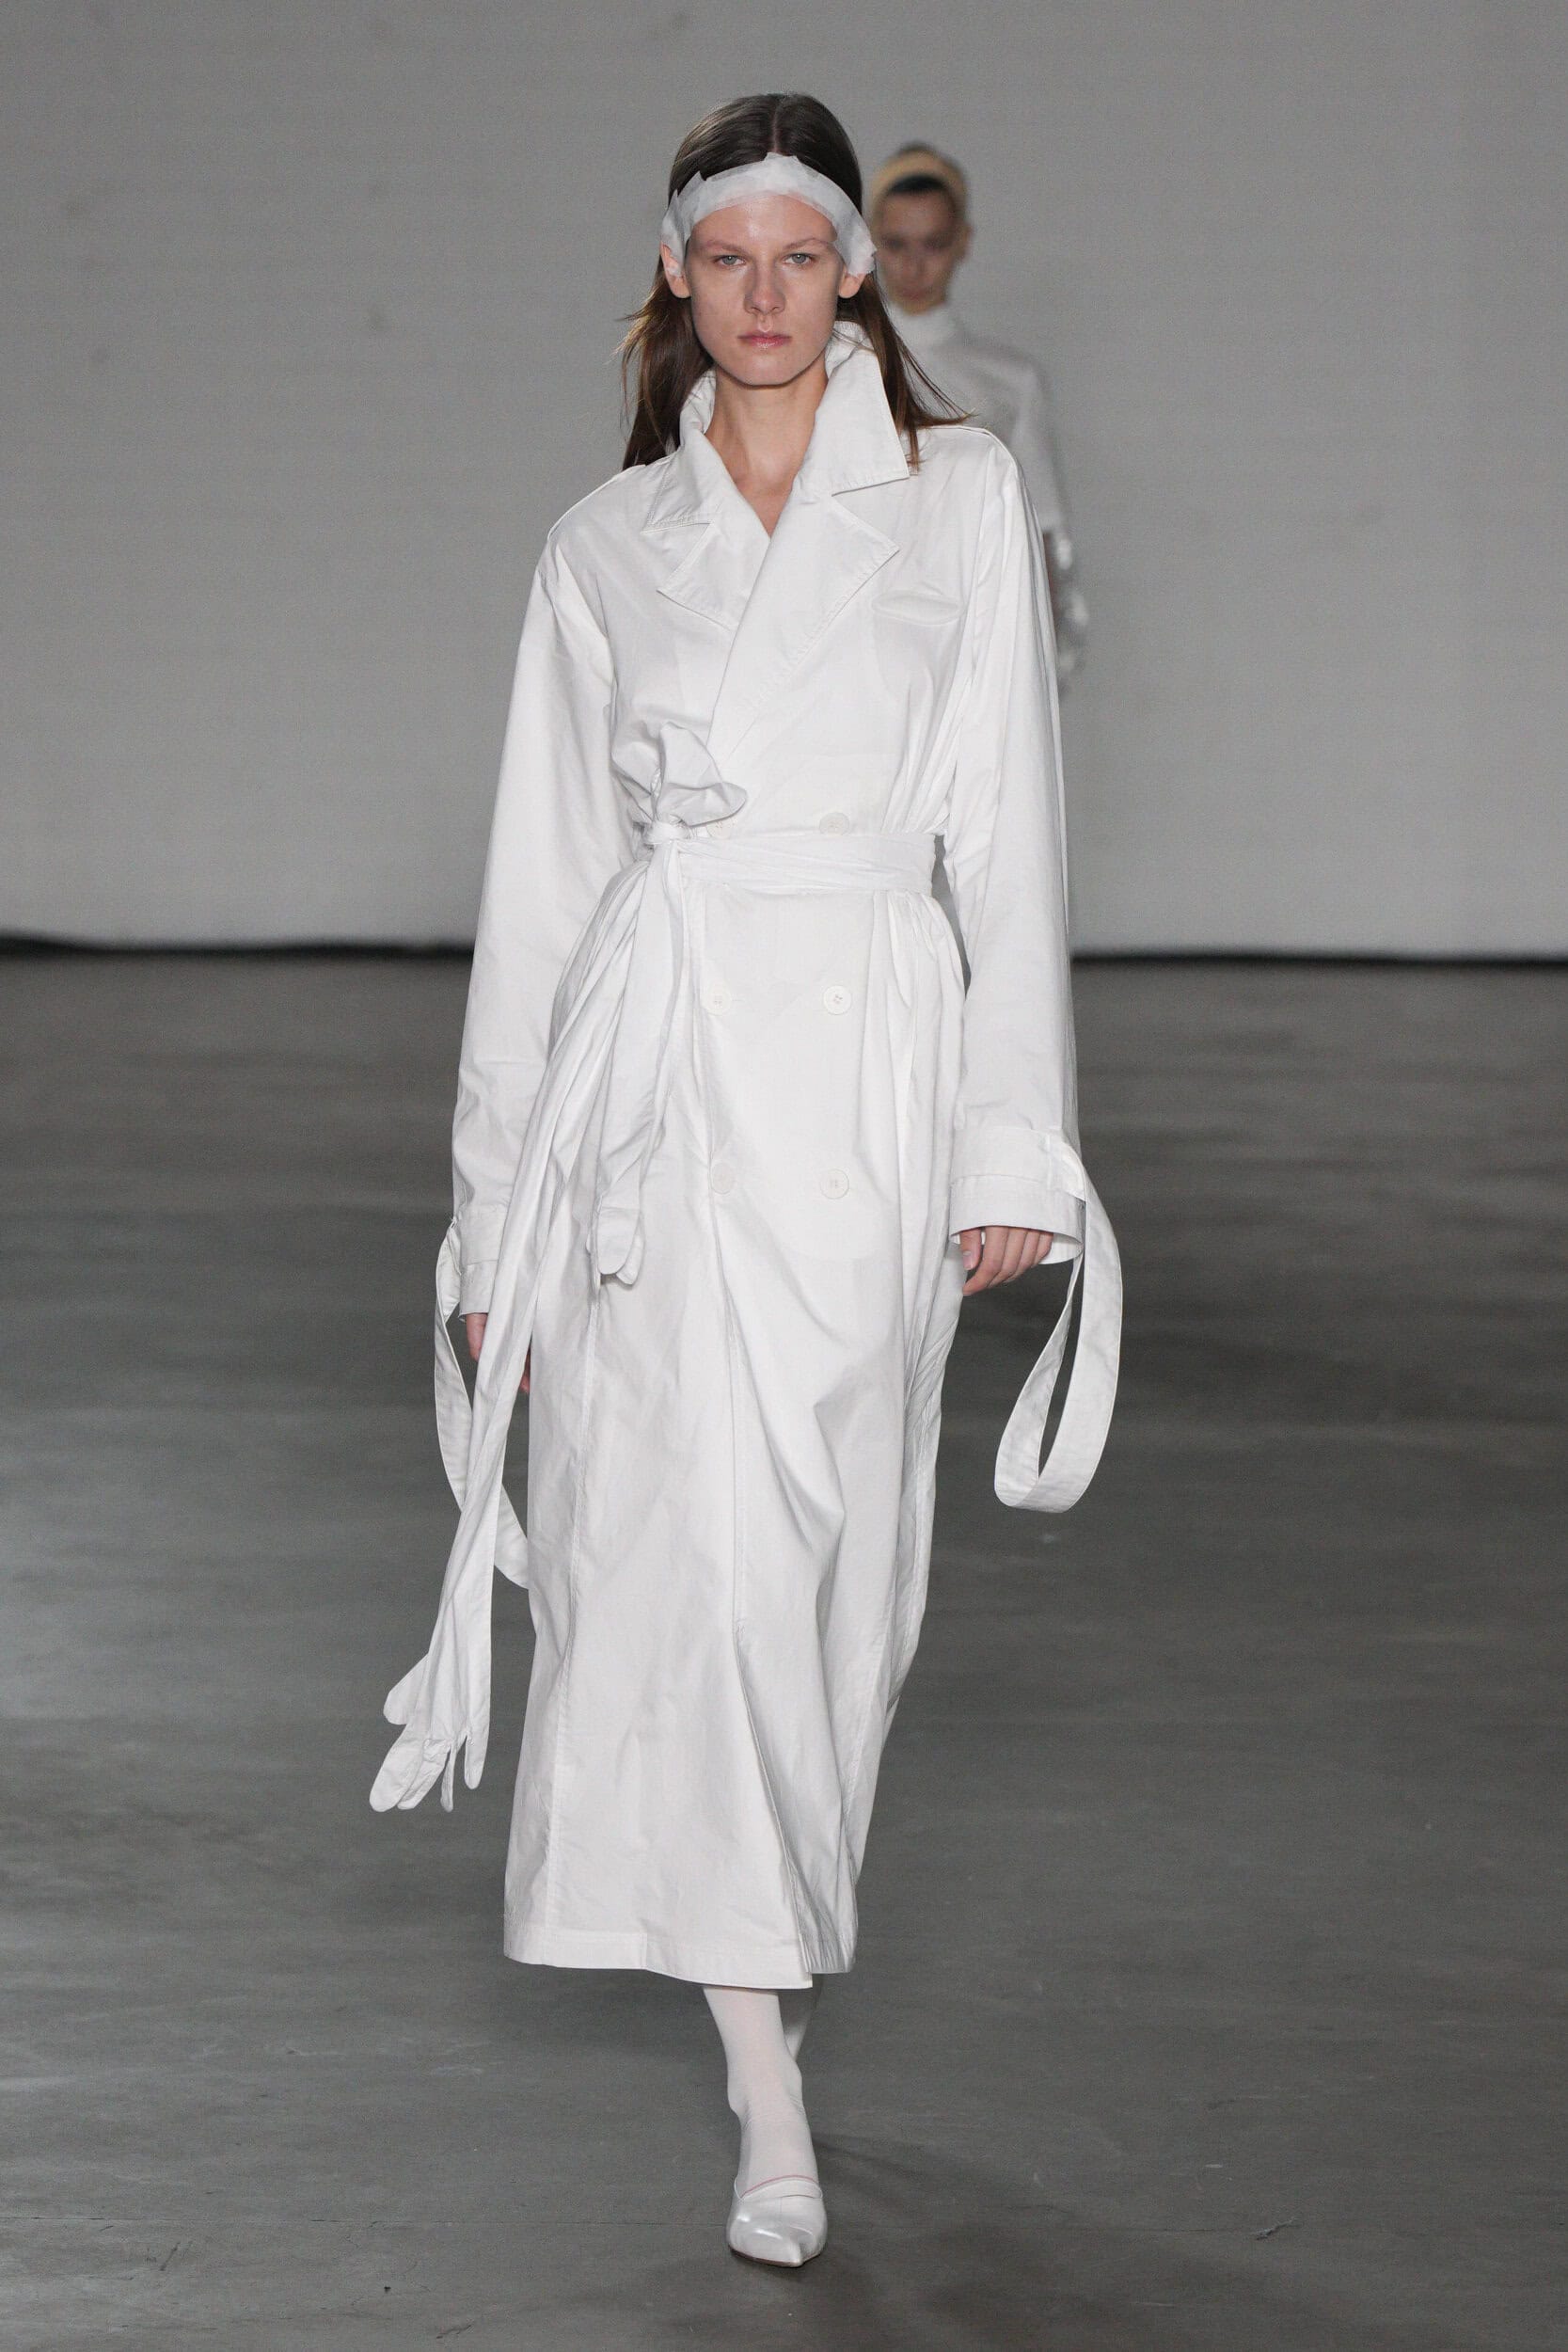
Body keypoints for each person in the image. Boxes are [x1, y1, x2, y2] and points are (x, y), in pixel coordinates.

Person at [371, 91, 1120, 2268]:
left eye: (803, 255)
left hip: (865, 1069)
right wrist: (494, 1214)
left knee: (823, 1566)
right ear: (676, 275)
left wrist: (1013, 1140)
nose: (767, 295)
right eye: (729, 259)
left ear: (855, 271)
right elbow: (542, 894)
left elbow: (1008, 836)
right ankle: (761, 2075)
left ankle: (765, 1967)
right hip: (648, 1093)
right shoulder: (605, 548)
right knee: (661, 1556)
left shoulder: (954, 499)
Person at [869, 142, 1089, 684]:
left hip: (971, 635)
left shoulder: (1010, 381)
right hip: (859, 633)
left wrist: (1045, 659)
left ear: (963, 242)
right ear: (871, 242)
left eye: (934, 244)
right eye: (896, 244)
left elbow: (1043, 531)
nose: (914, 265)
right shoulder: (836, 368)